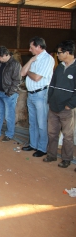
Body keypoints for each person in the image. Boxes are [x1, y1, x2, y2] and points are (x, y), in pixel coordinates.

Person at [43, 40, 76, 169]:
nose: (57, 55)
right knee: (52, 132)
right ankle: (51, 154)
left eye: (59, 52)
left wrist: (70, 105)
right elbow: (52, 84)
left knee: (68, 136)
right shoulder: (60, 67)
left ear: (67, 53)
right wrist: (50, 99)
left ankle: (67, 159)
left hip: (66, 109)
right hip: (54, 106)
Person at [21, 37, 55, 157]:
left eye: (32, 47)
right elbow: (22, 72)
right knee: (33, 122)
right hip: (31, 94)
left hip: (41, 94)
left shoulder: (48, 59)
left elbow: (36, 77)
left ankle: (42, 148)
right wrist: (30, 61)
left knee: (41, 123)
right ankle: (33, 144)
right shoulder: (34, 59)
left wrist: (28, 72)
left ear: (39, 47)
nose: (30, 49)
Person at [0, 46, 21, 142]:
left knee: (9, 116)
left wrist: (9, 92)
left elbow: (17, 80)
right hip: (0, 92)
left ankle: (9, 134)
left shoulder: (15, 64)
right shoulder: (1, 63)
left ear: (6, 55)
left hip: (9, 94)